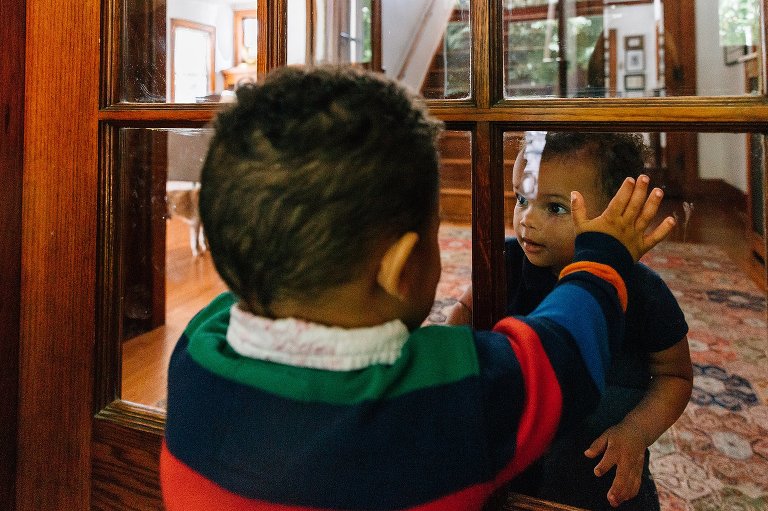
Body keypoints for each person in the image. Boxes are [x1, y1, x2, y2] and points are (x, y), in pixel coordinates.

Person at [159, 66, 676, 511]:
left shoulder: (196, 351)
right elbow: (563, 356)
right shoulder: (446, 400)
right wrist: (603, 257)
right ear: (401, 267)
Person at [447, 132, 692, 510]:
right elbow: (462, 316)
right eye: (522, 199)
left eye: (555, 208)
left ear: (617, 214)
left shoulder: (642, 290)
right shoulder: (506, 264)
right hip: (514, 461)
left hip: (598, 471)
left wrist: (637, 431)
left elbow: (674, 375)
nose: (527, 219)